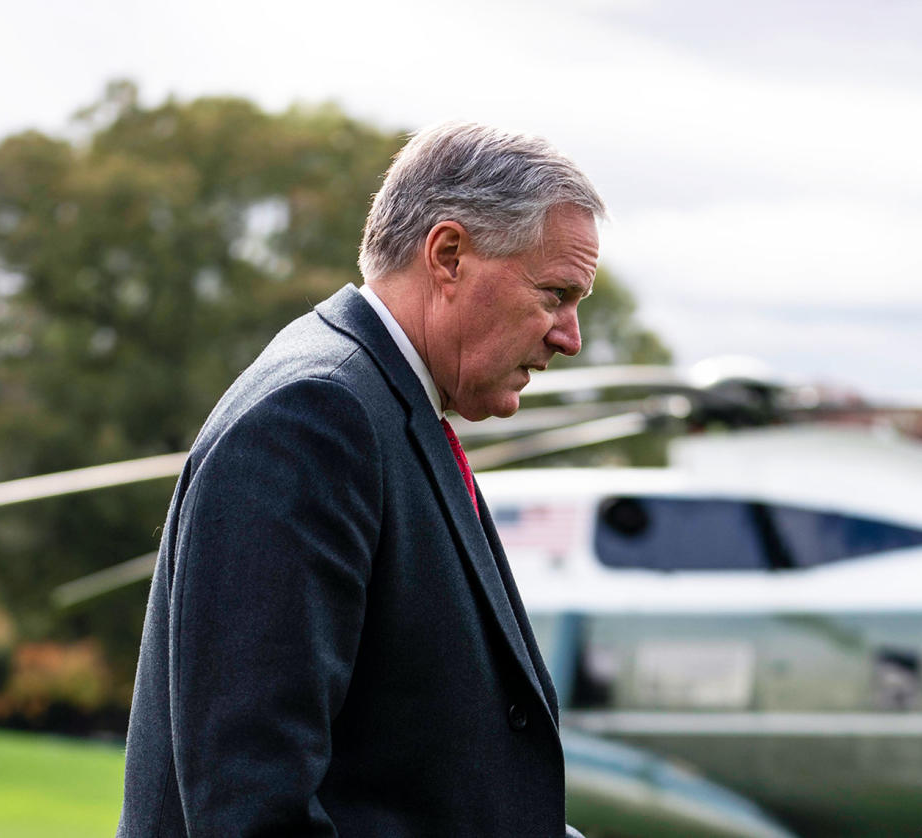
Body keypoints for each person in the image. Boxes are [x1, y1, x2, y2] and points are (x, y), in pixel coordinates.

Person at [118, 121, 605, 837]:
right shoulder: (314, 418)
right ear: (448, 255)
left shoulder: (376, 408)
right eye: (555, 294)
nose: (571, 336)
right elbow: (254, 810)